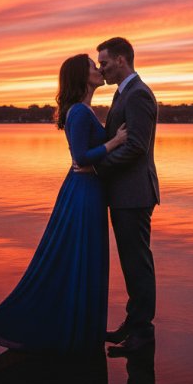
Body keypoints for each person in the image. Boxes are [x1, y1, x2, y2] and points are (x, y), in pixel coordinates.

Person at [0, 54, 127, 352]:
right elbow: (80, 158)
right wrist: (115, 142)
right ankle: (65, 329)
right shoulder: (78, 113)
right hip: (83, 194)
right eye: (91, 66)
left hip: (90, 189)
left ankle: (84, 328)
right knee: (76, 258)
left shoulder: (85, 111)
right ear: (80, 76)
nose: (98, 69)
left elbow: (87, 157)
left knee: (84, 258)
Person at [77, 37, 160, 357]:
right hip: (125, 193)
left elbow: (136, 145)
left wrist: (97, 169)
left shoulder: (138, 94)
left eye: (105, 63)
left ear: (122, 61)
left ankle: (142, 335)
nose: (102, 68)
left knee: (138, 263)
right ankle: (133, 324)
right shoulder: (123, 93)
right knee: (131, 262)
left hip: (134, 193)